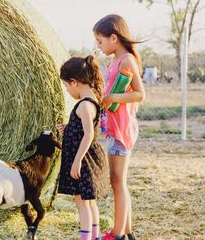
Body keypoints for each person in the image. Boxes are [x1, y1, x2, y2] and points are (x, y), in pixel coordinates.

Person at [93, 14, 145, 240]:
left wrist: (113, 96)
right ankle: (128, 232)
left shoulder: (126, 60)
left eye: (100, 41)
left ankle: (117, 235)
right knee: (119, 182)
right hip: (113, 128)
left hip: (122, 129)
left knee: (117, 181)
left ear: (114, 37)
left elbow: (140, 94)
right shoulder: (115, 61)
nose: (99, 45)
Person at [57, 55, 109, 240]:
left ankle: (86, 238)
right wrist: (69, 129)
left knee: (82, 204)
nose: (67, 90)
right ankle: (95, 236)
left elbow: (89, 134)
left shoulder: (84, 105)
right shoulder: (91, 101)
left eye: (66, 86)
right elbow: (83, 130)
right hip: (88, 159)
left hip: (84, 161)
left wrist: (77, 161)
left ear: (74, 82)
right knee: (89, 202)